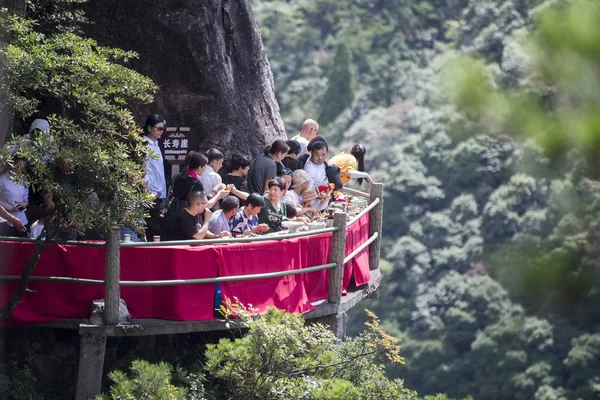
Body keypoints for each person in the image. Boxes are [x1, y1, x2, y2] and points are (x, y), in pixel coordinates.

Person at [142, 114, 168, 239]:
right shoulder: (143, 144)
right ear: (149, 128)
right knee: (150, 227)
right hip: (150, 193)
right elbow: (143, 170)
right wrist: (147, 191)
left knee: (157, 226)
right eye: (158, 128)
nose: (161, 131)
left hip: (159, 192)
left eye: (162, 129)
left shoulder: (157, 144)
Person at [0, 158, 29, 237]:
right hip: (4, 222)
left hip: (22, 220)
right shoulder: (2, 179)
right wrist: (11, 209)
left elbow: (26, 201)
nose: (20, 169)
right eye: (18, 166)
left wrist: (21, 206)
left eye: (22, 167)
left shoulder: (24, 181)